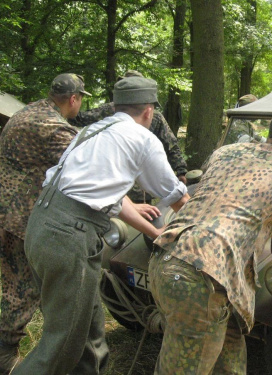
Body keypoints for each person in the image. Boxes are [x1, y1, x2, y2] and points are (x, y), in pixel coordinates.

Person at [149, 111, 272, 374]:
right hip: (202, 276)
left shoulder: (225, 153)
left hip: (167, 254)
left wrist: (267, 224)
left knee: (229, 351)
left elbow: (229, 203)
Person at [12, 76, 190, 374]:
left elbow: (107, 197)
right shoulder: (144, 139)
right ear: (149, 112)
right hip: (69, 236)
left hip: (43, 225)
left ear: (116, 106)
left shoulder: (92, 131)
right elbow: (176, 195)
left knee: (90, 334)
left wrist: (155, 233)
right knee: (62, 345)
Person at [0, 73, 90, 374]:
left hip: (8, 211)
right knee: (26, 288)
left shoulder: (28, 111)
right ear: (74, 99)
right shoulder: (51, 127)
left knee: (19, 285)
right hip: (20, 218)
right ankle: (8, 355)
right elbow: (86, 167)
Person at [69, 70, 188, 197]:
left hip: (112, 187)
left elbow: (78, 118)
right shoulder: (151, 117)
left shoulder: (110, 110)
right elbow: (171, 145)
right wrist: (181, 171)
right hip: (134, 187)